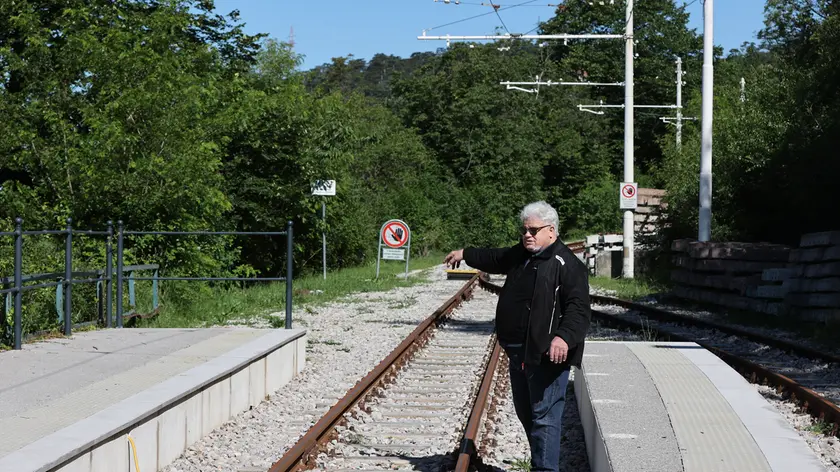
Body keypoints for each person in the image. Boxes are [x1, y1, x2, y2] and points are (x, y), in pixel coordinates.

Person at [443, 200, 591, 472]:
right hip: (518, 352)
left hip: (547, 354)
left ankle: (544, 469)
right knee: (527, 414)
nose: (527, 235)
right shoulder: (522, 255)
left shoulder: (567, 265)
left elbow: (579, 310)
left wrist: (563, 338)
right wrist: (465, 253)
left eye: (533, 230)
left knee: (544, 417)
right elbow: (495, 258)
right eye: (524, 230)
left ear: (551, 230)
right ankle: (541, 463)